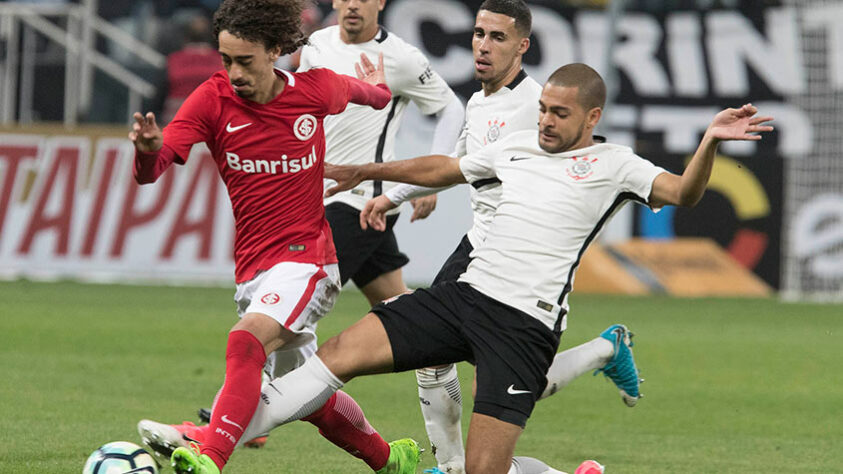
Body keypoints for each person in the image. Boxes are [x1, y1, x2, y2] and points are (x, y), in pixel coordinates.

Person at [205, 64, 773, 474]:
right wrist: (366, 171)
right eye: (544, 108)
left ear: (592, 116)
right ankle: (214, 446)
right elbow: (445, 167)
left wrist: (709, 143)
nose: (546, 120)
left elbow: (684, 193)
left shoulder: (616, 164)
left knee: (482, 471)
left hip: (523, 327)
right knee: (337, 355)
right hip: (464, 297)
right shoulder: (518, 146)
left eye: (561, 113)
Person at [129, 1, 420, 473]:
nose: (234, 72)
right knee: (310, 397)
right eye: (226, 60)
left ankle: (210, 457)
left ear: (277, 50)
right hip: (254, 270)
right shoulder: (212, 99)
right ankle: (393, 461)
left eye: (245, 60)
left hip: (309, 261)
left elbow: (376, 97)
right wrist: (148, 150)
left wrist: (379, 84)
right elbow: (153, 169)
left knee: (246, 342)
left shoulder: (316, 90)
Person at [364, 2, 638, 472]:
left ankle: (605, 349)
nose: (483, 46)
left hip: (518, 258)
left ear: (522, 46)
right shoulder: (480, 99)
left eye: (496, 37)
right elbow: (454, 164)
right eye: (478, 34)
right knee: (436, 361)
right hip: (478, 248)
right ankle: (450, 465)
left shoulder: (536, 109)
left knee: (499, 382)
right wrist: (398, 196)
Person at [302, 0, 463, 307]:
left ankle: (266, 352)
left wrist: (431, 178)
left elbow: (451, 109)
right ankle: (439, 350)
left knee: (304, 295)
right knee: (396, 307)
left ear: (380, 3)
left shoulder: (401, 57)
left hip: (362, 200)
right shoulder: (316, 44)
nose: (352, 6)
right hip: (317, 192)